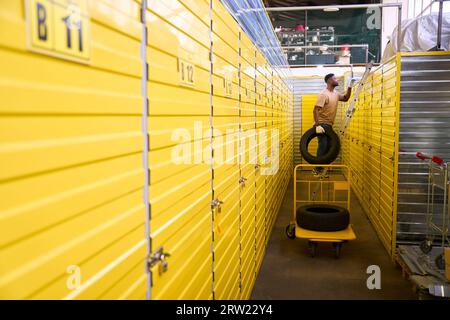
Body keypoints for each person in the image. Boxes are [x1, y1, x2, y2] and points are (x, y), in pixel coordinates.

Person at [312, 73, 354, 175]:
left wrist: (350, 87)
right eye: (335, 78)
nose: (337, 80)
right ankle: (317, 168)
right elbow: (316, 110)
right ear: (330, 81)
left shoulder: (335, 93)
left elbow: (345, 98)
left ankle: (321, 166)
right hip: (322, 123)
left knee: (329, 146)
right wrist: (317, 125)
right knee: (323, 145)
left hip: (329, 124)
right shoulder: (324, 94)